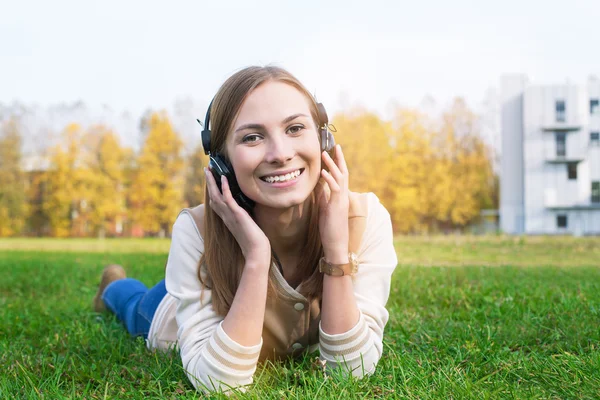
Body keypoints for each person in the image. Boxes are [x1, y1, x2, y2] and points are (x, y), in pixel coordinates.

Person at [93, 65, 398, 393]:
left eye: (295, 128)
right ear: (221, 161)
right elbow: (218, 384)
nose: (280, 154)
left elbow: (351, 372)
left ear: (324, 139)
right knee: (134, 305)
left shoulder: (365, 218)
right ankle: (112, 285)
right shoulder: (195, 230)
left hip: (206, 285)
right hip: (172, 313)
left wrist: (337, 250)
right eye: (252, 137)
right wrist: (256, 257)